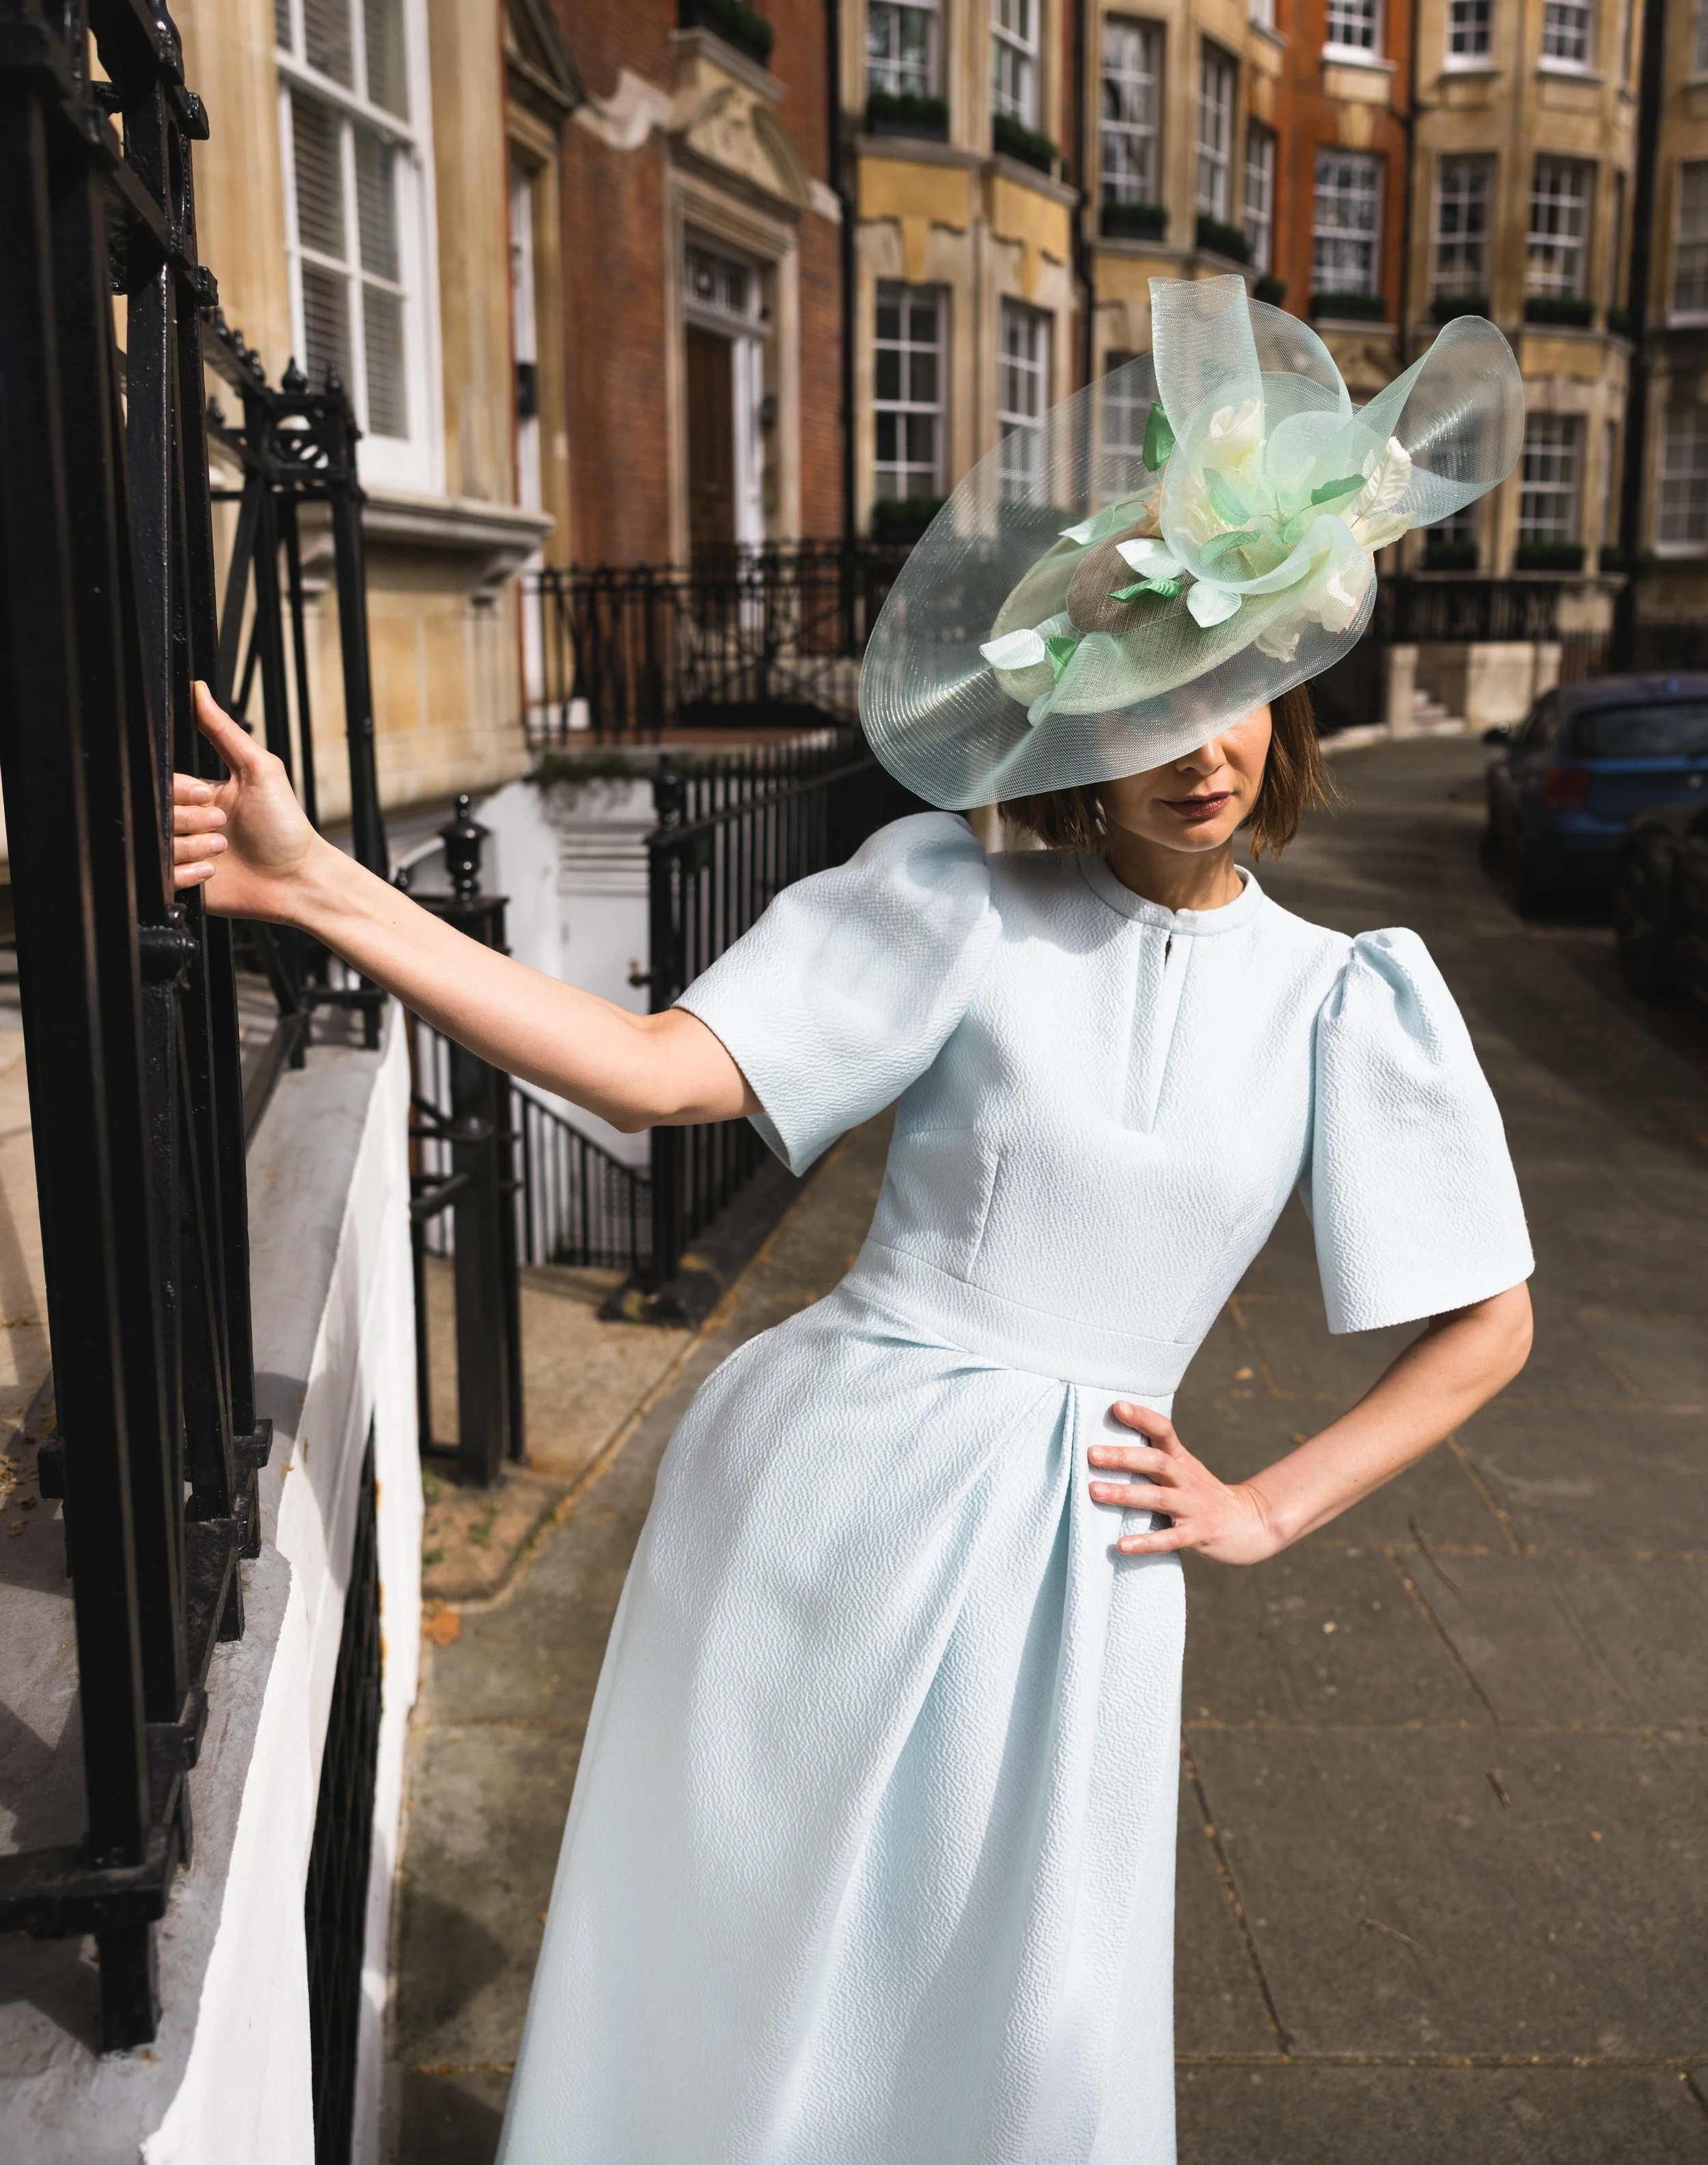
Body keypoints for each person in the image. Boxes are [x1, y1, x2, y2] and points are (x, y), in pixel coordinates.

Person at [173, 278, 1534, 2163]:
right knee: (755, 2002)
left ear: (1288, 695)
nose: (1197, 743)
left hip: (1087, 1570)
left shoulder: (1348, 996)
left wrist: (1261, 1506)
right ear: (1080, 719)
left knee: (1022, 2038)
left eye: (1233, 688)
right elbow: (659, 1069)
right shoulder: (953, 898)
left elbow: (1488, 1322)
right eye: (1148, 694)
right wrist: (330, 892)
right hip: (823, 1512)